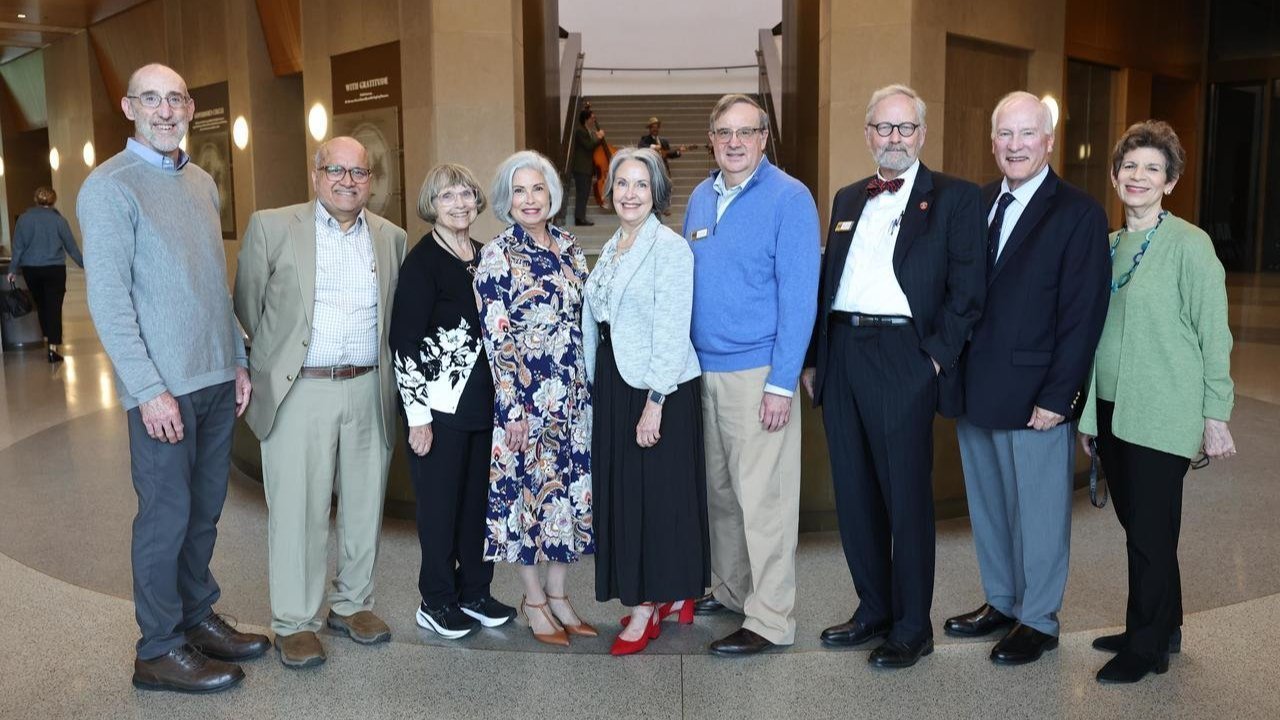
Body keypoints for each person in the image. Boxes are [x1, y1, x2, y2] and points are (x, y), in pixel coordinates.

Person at [78, 63, 267, 694]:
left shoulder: (202, 182)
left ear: (190, 107)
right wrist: (146, 388)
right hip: (164, 387)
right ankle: (158, 650)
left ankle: (194, 617)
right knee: (166, 517)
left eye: (176, 99)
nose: (165, 110)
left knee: (205, 513)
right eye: (151, 100)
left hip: (215, 378)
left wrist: (237, 356)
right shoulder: (109, 188)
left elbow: (212, 283)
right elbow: (110, 300)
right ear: (130, 108)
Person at [801, 84, 985, 668]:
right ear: (868, 134)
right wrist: (814, 356)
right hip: (844, 349)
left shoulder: (953, 198)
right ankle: (873, 609)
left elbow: (968, 292)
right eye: (884, 127)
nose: (895, 138)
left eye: (905, 128)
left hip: (905, 354)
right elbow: (827, 280)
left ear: (922, 134)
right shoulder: (848, 197)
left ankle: (912, 625)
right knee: (854, 494)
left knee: (905, 499)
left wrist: (932, 359)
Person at [946, 91, 1110, 666]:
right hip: (977, 387)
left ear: (1048, 141)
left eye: (1026, 135)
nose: (1015, 146)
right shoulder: (979, 201)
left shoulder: (1078, 212)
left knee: (1038, 514)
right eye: (1005, 136)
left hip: (1037, 394)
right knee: (989, 507)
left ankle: (1037, 619)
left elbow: (1083, 314)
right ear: (993, 143)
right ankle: (1002, 601)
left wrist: (1060, 396)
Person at [233, 136, 407, 668]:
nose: (347, 180)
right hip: (298, 389)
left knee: (363, 503)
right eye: (336, 169)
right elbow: (246, 305)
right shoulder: (272, 226)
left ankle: (353, 604)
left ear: (370, 181)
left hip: (368, 386)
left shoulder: (392, 238)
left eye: (358, 172)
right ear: (316, 175)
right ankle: (294, 620)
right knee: (299, 509)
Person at [1078, 120, 1236, 684]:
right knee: (1139, 526)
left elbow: (1214, 334)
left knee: (1150, 532)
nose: (1139, 177)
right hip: (1115, 409)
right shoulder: (1110, 246)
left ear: (1170, 182)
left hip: (1164, 412)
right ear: (1116, 177)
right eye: (1130, 167)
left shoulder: (1191, 245)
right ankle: (1160, 623)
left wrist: (1215, 414)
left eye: (1152, 169)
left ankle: (1145, 648)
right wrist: (1091, 415)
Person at [682, 93, 820, 656]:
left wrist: (782, 381)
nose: (734, 142)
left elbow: (800, 297)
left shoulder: (790, 198)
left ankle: (770, 619)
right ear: (711, 139)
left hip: (759, 373)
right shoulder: (698, 197)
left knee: (765, 503)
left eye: (746, 132)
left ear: (764, 138)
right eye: (724, 133)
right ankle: (734, 590)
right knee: (721, 495)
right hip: (703, 374)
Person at [582, 147, 709, 656]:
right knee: (627, 494)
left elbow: (673, 329)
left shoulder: (671, 248)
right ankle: (668, 592)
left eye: (640, 184)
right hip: (615, 380)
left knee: (655, 498)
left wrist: (655, 400)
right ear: (609, 191)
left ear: (657, 191)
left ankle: (645, 606)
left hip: (660, 385)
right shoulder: (614, 245)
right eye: (621, 184)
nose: (629, 194)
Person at [389, 164, 516, 640]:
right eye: (448, 197)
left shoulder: (485, 254)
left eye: (466, 194)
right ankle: (437, 600)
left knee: (477, 508)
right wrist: (418, 418)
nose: (460, 203)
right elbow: (403, 342)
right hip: (440, 411)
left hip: (486, 408)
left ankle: (475, 592)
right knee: (440, 509)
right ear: (432, 205)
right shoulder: (423, 263)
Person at [476, 150, 595, 647]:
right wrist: (512, 410)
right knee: (526, 500)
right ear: (507, 199)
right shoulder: (497, 254)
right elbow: (496, 340)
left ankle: (561, 594)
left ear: (552, 195)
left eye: (538, 189)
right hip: (526, 404)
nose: (529, 199)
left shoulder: (569, 246)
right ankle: (534, 601)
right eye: (519, 191)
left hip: (573, 400)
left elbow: (586, 320)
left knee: (568, 495)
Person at [6, 186, 84, 363]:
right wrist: (85, 264)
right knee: (54, 307)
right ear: (54, 200)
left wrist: (12, 270)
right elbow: (71, 247)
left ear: (35, 200)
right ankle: (53, 347)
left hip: (31, 270)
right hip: (54, 270)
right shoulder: (59, 221)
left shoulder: (24, 220)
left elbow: (18, 247)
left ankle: (47, 337)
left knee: (41, 305)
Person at [570, 108, 605, 226]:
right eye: (592, 118)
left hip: (586, 168)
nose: (594, 120)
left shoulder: (587, 131)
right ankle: (579, 219)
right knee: (582, 194)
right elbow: (589, 146)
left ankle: (581, 217)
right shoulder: (580, 131)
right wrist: (599, 138)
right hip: (581, 168)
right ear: (586, 119)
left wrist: (597, 138)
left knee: (584, 194)